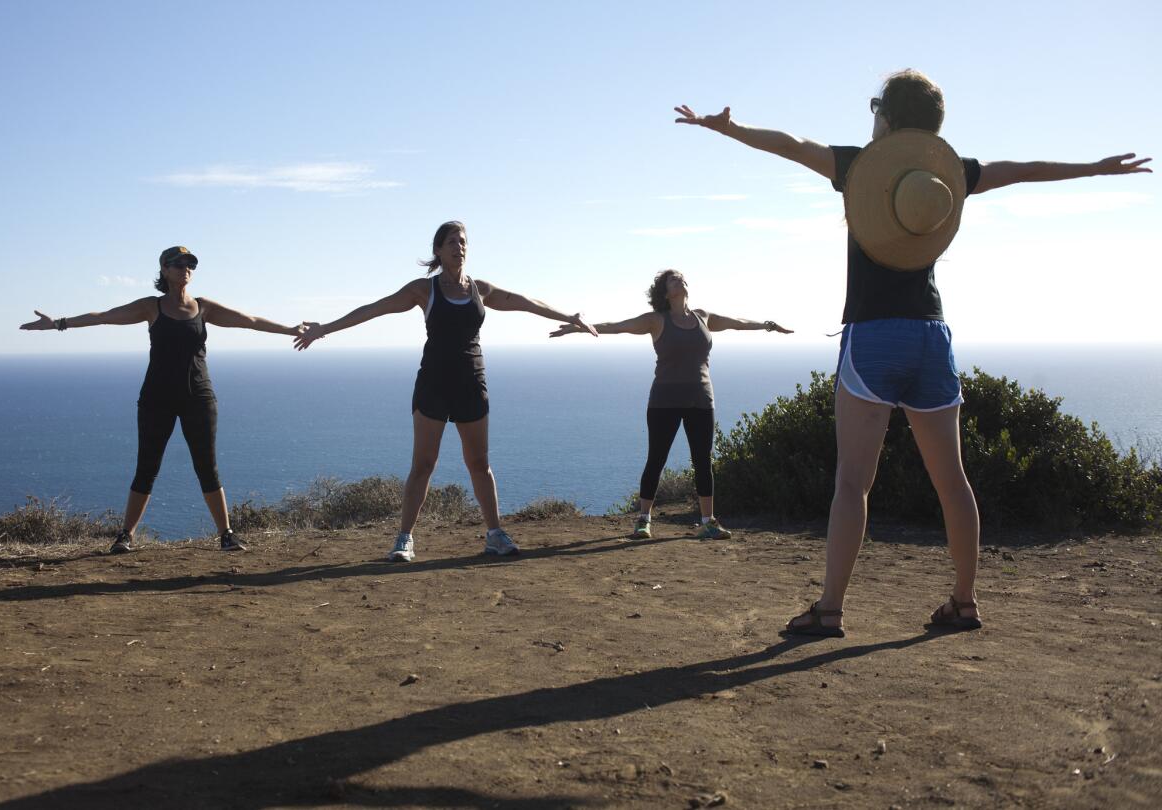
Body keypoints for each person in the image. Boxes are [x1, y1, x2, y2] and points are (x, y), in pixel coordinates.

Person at [675, 69, 1151, 636]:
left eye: (876, 108)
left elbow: (792, 146)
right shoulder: (949, 178)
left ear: (889, 119)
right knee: (953, 480)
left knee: (853, 483)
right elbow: (1023, 171)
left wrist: (730, 130)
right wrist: (1096, 169)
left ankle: (829, 610)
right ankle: (965, 601)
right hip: (931, 335)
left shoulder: (856, 166)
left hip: (872, 337)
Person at [294, 221, 596, 562]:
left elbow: (525, 302)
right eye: (452, 241)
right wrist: (325, 329)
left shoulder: (480, 289)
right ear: (438, 250)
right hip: (434, 383)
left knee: (479, 463)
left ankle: (495, 534)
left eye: (463, 241)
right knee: (423, 464)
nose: (459, 246)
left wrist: (569, 315)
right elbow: (374, 309)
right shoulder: (424, 290)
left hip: (471, 382)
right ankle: (404, 539)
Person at [20, 246, 306, 554]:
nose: (186, 268)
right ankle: (125, 536)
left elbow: (248, 320)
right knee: (147, 466)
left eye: (190, 264)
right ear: (164, 270)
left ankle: (226, 535)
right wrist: (59, 323)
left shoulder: (204, 307)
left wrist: (290, 329)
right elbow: (104, 317)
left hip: (199, 397)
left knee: (207, 467)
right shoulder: (151, 307)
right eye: (178, 264)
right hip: (157, 398)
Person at [552, 268, 791, 540]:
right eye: (672, 279)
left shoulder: (703, 317)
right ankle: (643, 520)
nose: (680, 279)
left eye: (681, 276)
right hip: (664, 401)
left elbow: (737, 321)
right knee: (657, 459)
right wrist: (581, 327)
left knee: (703, 461)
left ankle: (707, 522)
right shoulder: (657, 320)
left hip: (701, 399)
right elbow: (617, 326)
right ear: (665, 293)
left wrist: (767, 325)